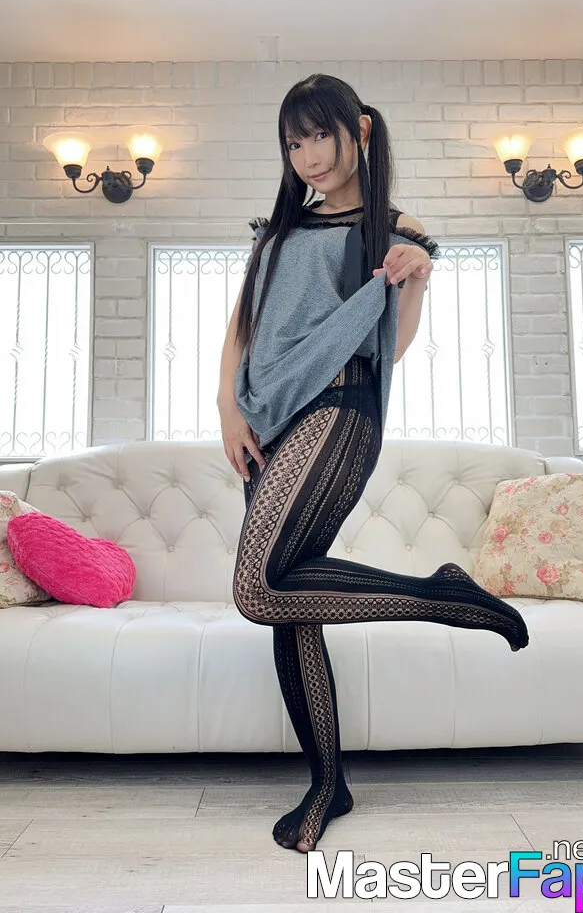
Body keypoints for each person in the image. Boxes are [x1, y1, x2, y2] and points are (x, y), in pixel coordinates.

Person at [217, 73, 529, 854]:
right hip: (268, 416)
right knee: (288, 599)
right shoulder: (279, 228)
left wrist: (414, 279)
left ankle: (441, 596)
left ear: (356, 129)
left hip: (339, 407)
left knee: (257, 587)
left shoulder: (394, 226)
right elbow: (243, 324)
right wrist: (227, 407)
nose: (308, 156)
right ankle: (329, 783)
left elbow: (392, 341)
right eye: (293, 143)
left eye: (319, 135)